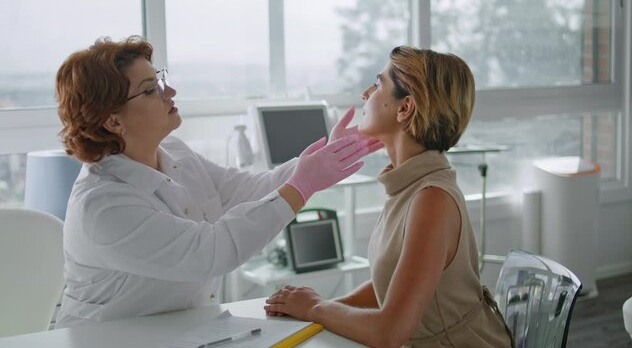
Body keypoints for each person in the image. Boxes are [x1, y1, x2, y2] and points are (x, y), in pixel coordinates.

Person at [53, 36, 381, 327]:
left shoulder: (172, 151)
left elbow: (244, 190)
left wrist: (324, 158)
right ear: (112, 120)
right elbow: (211, 252)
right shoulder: (103, 205)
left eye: (160, 80)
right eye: (151, 90)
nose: (170, 92)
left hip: (185, 329)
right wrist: (302, 186)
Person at [264, 46, 515, 348]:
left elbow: (389, 332)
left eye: (379, 83)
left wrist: (316, 307)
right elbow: (396, 282)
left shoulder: (431, 199)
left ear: (404, 108)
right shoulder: (408, 184)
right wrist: (322, 310)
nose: (366, 93)